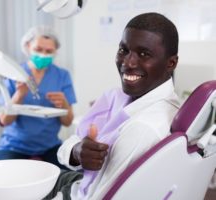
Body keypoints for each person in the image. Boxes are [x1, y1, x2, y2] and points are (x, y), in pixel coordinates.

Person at [44, 12, 181, 199]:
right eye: (123, 50)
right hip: (78, 179)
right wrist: (76, 152)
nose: (128, 62)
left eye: (144, 54)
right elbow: (70, 144)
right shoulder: (117, 96)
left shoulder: (143, 129)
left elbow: (100, 196)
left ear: (171, 63)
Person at [0, 25, 77, 169]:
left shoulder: (62, 75)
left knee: (66, 180)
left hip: (50, 147)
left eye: (49, 51)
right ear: (28, 46)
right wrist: (19, 95)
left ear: (55, 51)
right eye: (38, 49)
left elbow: (68, 122)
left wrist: (63, 103)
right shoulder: (14, 74)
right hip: (13, 146)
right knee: (6, 179)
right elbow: (4, 120)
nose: (43, 55)